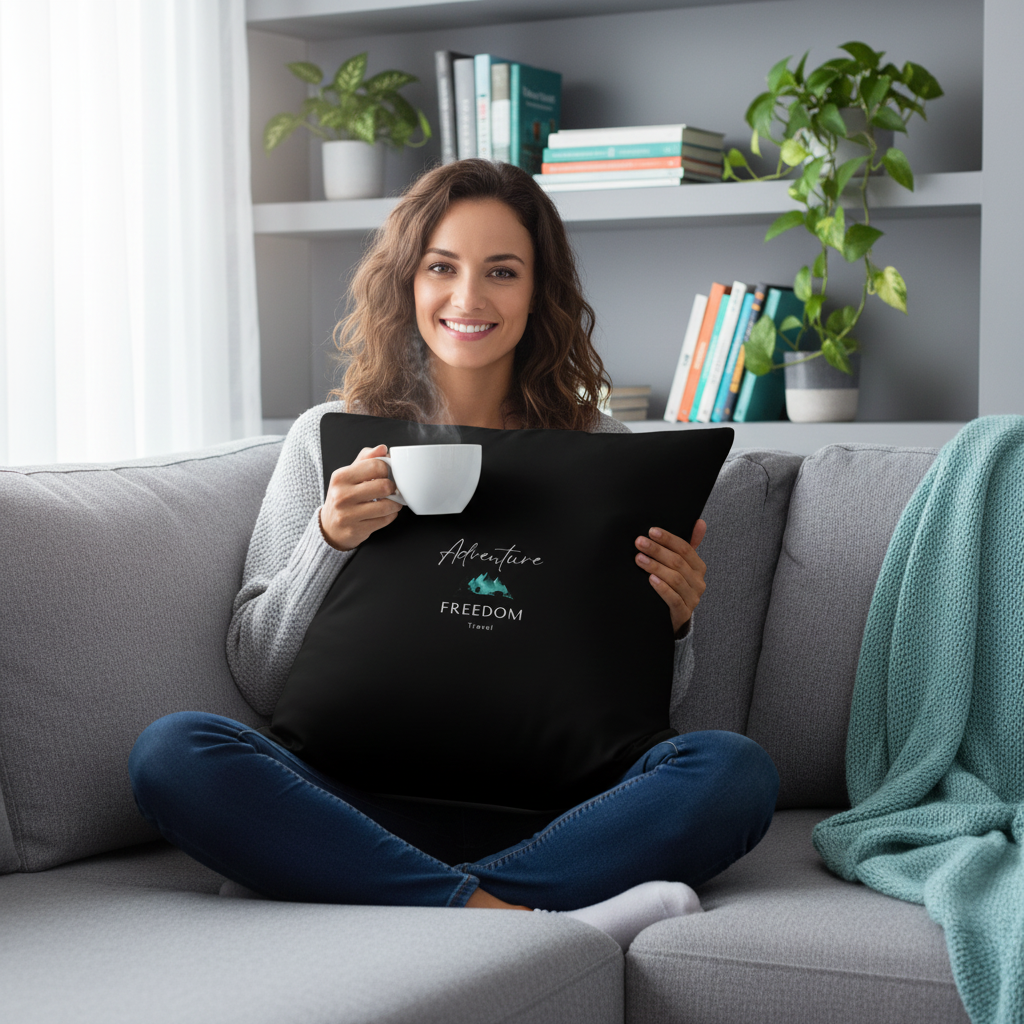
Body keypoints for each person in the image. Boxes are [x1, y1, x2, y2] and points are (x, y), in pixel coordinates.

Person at [129, 159, 779, 949]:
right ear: (407, 281)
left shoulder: (605, 450)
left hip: (559, 812)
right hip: (356, 799)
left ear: (538, 292)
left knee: (734, 771)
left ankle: (359, 884)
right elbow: (260, 675)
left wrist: (671, 622)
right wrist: (327, 541)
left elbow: (649, 714)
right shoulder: (327, 438)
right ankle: (514, 919)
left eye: (501, 272)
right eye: (442, 268)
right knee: (173, 753)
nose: (468, 298)